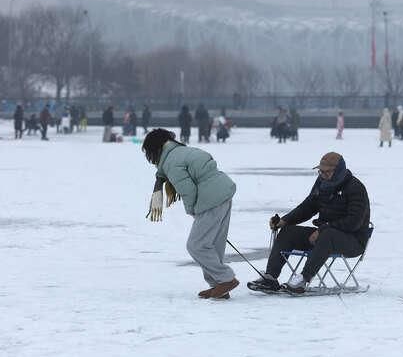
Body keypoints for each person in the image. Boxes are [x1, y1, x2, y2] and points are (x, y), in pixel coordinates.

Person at [248, 152, 371, 294]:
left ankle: (303, 280)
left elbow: (353, 222)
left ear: (339, 171)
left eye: (327, 172)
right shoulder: (322, 183)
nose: (322, 175)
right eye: (320, 171)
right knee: (288, 231)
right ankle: (270, 278)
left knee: (328, 234)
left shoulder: (355, 188)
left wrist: (324, 229)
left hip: (353, 242)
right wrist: (285, 220)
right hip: (324, 236)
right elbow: (308, 206)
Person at [142, 128, 238, 299]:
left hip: (211, 198)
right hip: (223, 191)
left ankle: (225, 279)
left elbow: (187, 190)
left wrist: (193, 210)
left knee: (196, 245)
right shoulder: (180, 151)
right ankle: (219, 285)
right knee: (214, 244)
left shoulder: (171, 161)